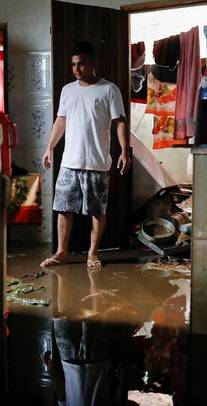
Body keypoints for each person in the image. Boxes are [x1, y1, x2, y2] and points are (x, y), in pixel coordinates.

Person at [41, 41, 131, 270]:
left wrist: (123, 151)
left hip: (97, 162)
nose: (76, 69)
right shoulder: (67, 90)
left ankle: (92, 253)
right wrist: (50, 146)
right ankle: (62, 252)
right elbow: (61, 120)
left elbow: (119, 121)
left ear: (93, 63)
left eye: (81, 64)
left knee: (97, 210)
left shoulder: (109, 89)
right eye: (73, 65)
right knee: (63, 208)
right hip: (70, 161)